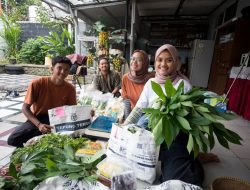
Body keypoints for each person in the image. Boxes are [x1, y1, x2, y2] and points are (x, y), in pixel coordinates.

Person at [124, 44, 204, 187]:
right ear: (155, 62)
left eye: (169, 60)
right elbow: (139, 109)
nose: (163, 64)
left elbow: (189, 116)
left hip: (174, 136)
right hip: (151, 132)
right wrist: (124, 126)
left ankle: (192, 158)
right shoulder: (151, 83)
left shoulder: (183, 85)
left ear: (176, 63)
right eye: (160, 59)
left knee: (175, 180)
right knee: (131, 166)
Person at [7, 56, 77, 147]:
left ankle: (42, 140)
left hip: (58, 118)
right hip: (38, 118)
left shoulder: (70, 89)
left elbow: (72, 110)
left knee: (74, 138)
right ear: (52, 69)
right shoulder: (38, 83)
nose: (63, 72)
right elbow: (25, 108)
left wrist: (86, 114)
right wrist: (39, 125)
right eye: (59, 68)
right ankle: (40, 139)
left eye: (66, 69)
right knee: (13, 139)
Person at [121, 50, 155, 114]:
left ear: (145, 63)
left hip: (149, 115)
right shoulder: (126, 78)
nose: (134, 62)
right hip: (135, 114)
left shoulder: (152, 79)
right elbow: (126, 100)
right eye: (132, 59)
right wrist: (127, 118)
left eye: (139, 60)